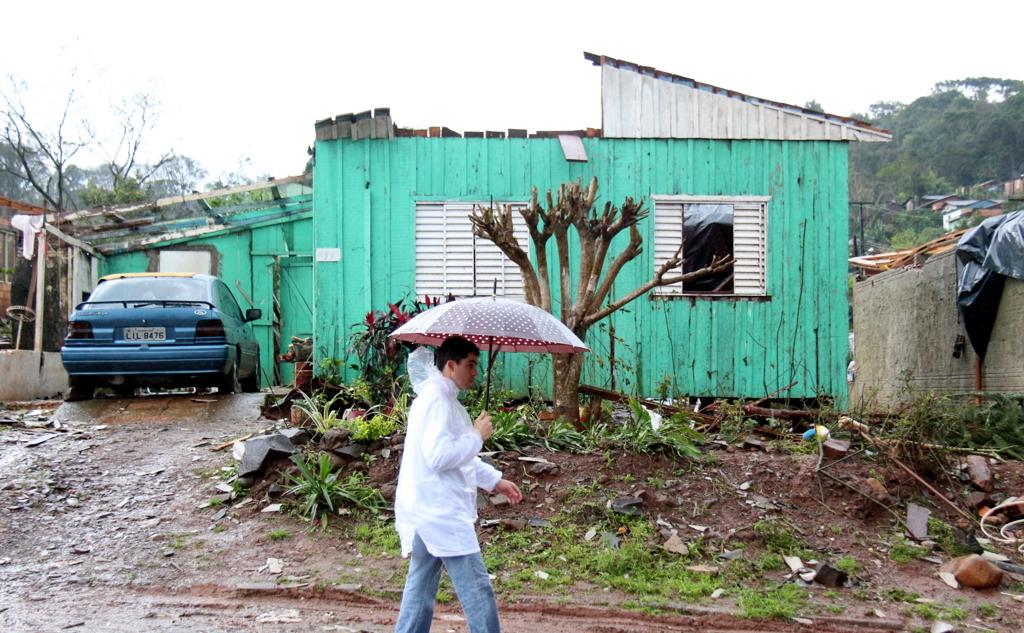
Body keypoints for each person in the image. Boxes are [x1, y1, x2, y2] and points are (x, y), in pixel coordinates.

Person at [394, 336, 523, 633]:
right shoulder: (439, 402)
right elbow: (440, 457)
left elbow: (459, 459)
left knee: (419, 590)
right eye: (470, 365)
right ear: (451, 366)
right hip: (442, 512)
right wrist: (477, 436)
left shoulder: (440, 399)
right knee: (477, 589)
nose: (475, 372)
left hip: (428, 509)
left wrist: (495, 481)